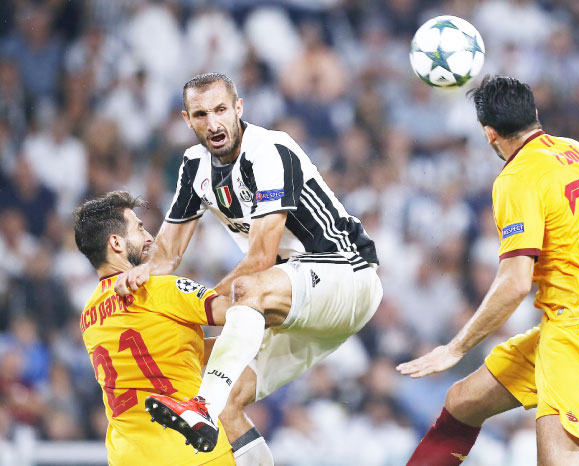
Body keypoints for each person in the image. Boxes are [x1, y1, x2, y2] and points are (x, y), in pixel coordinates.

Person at [114, 72, 383, 464]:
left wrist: (200, 309)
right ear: (187, 120)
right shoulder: (194, 164)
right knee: (218, 391)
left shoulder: (269, 150)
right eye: (201, 114)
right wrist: (137, 277)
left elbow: (260, 259)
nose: (214, 123)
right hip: (293, 298)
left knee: (247, 290)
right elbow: (167, 252)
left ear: (239, 108)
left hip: (346, 274)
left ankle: (200, 406)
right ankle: (210, 406)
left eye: (221, 110)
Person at [397, 75, 579, 466]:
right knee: (463, 401)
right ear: (534, 114)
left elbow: (514, 284)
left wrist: (455, 347)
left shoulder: (517, 178)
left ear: (489, 134)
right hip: (574, 320)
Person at [73, 191, 257, 465]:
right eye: (139, 228)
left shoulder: (88, 316)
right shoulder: (158, 288)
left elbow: (165, 355)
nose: (149, 238)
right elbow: (242, 314)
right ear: (116, 242)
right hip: (192, 453)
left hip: (128, 457)